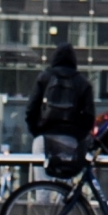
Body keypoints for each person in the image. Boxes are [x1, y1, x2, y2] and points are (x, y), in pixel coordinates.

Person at [26, 44, 96, 175]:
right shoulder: (82, 82)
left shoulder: (44, 78)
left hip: (43, 138)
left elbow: (31, 109)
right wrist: (77, 136)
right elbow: (89, 117)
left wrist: (37, 131)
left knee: (42, 183)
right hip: (70, 140)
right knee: (65, 182)